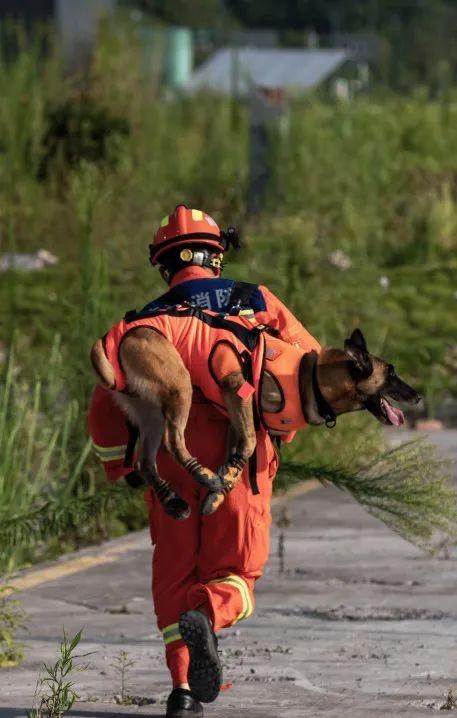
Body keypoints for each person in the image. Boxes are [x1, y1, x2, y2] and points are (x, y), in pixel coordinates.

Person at [88, 204, 320, 717]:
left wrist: (122, 469)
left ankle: (183, 690)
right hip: (238, 461)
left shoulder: (141, 323)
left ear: (165, 264)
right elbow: (308, 369)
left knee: (174, 573)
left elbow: (104, 407)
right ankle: (210, 614)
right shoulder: (256, 300)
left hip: (169, 462)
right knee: (238, 570)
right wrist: (280, 440)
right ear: (217, 255)